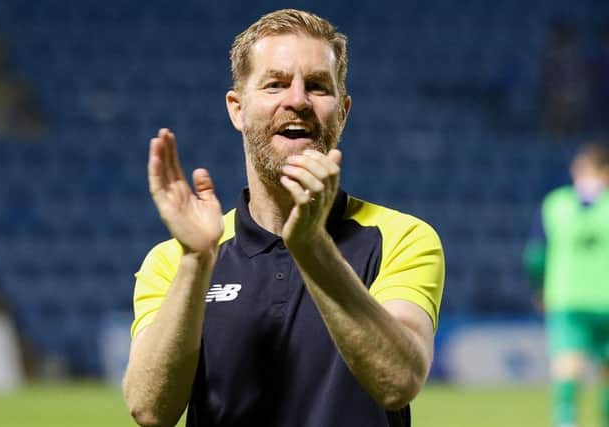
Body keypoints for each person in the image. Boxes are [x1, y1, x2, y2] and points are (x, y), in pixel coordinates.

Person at [123, 9, 445, 427]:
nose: (297, 100)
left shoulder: (401, 238)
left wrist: (311, 247)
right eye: (275, 84)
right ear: (237, 109)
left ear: (342, 112)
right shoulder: (173, 260)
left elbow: (398, 380)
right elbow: (150, 409)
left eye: (317, 86)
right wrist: (196, 262)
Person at [523, 142, 609, 427]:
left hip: (567, 298)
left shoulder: (556, 204)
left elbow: (535, 256)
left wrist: (539, 288)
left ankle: (566, 422)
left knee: (567, 365)